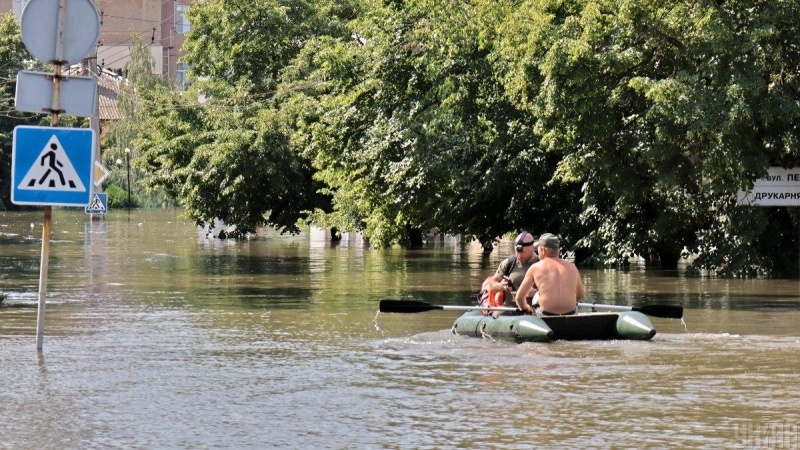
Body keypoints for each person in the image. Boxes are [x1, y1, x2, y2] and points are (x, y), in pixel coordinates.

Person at [515, 233, 585, 315]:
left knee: (537, 295)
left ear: (543, 251)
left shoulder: (535, 267)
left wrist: (525, 308)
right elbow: (580, 295)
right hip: (571, 314)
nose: (537, 252)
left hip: (546, 316)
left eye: (538, 249)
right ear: (558, 250)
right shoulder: (572, 267)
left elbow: (519, 298)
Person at [478, 231, 539, 315]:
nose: (519, 255)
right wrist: (501, 286)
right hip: (510, 307)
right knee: (496, 316)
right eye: (517, 252)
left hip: (533, 309)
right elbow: (491, 285)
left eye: (523, 252)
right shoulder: (509, 263)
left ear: (532, 248)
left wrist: (536, 293)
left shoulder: (541, 263)